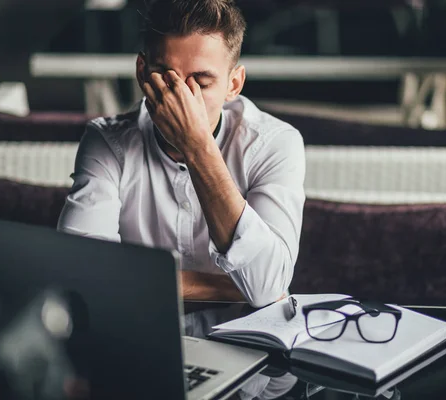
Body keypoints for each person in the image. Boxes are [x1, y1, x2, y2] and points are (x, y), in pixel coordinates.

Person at [57, 0, 305, 308]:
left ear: (234, 84)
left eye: (200, 82)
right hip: (142, 334)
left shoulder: (274, 143)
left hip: (242, 344)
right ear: (142, 72)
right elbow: (82, 271)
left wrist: (196, 147)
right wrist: (231, 287)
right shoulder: (107, 142)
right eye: (165, 76)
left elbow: (266, 286)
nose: (181, 99)